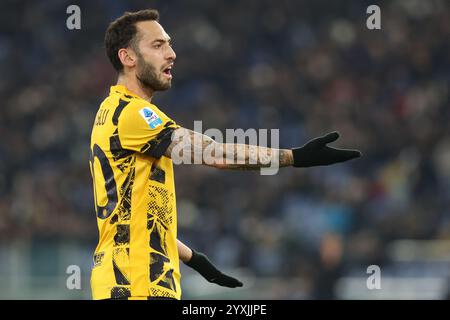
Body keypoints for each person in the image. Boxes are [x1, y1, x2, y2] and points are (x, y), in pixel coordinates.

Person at [89, 9, 361, 300]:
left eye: (168, 43)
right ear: (128, 58)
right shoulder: (134, 113)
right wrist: (294, 157)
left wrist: (193, 258)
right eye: (157, 45)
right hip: (134, 284)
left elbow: (135, 216)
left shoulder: (113, 112)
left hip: (129, 281)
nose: (171, 53)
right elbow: (215, 154)